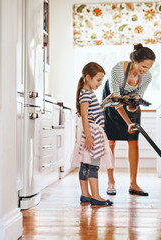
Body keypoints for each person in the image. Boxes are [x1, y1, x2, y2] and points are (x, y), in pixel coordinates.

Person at [102, 43, 156, 196]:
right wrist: (128, 122)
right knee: (111, 142)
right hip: (112, 102)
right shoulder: (118, 70)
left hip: (129, 103)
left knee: (133, 141)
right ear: (134, 60)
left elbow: (137, 99)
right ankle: (111, 182)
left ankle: (133, 184)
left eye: (148, 68)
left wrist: (133, 106)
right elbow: (116, 100)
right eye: (143, 66)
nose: (144, 71)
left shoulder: (147, 76)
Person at [71, 62, 114, 206]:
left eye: (101, 80)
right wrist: (89, 137)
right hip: (92, 133)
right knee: (93, 165)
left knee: (86, 164)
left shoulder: (87, 93)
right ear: (88, 77)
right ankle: (95, 196)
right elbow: (84, 116)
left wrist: (103, 104)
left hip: (91, 131)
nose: (100, 83)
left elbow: (90, 113)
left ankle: (85, 195)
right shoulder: (86, 94)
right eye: (98, 79)